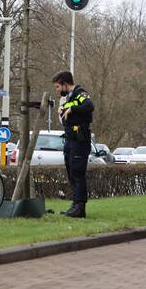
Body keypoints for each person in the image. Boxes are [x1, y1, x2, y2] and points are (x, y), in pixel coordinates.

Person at [52, 70, 94, 218]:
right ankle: (75, 204)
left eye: (58, 87)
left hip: (80, 140)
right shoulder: (68, 97)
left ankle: (80, 208)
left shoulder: (80, 93)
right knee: (71, 173)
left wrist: (72, 108)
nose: (57, 90)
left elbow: (89, 105)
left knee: (77, 173)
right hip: (70, 139)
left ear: (65, 84)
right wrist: (62, 109)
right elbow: (67, 118)